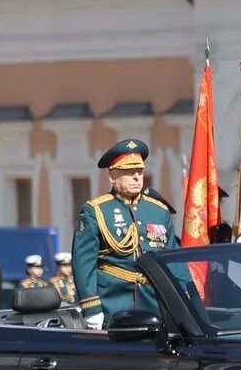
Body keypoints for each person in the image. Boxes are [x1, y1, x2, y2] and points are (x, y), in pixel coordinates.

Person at [73, 138, 179, 328]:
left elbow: (173, 259)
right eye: (130, 173)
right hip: (113, 303)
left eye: (139, 172)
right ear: (112, 176)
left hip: (155, 303)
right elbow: (84, 263)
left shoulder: (158, 211)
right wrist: (91, 308)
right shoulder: (96, 210)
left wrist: (184, 297)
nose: (137, 177)